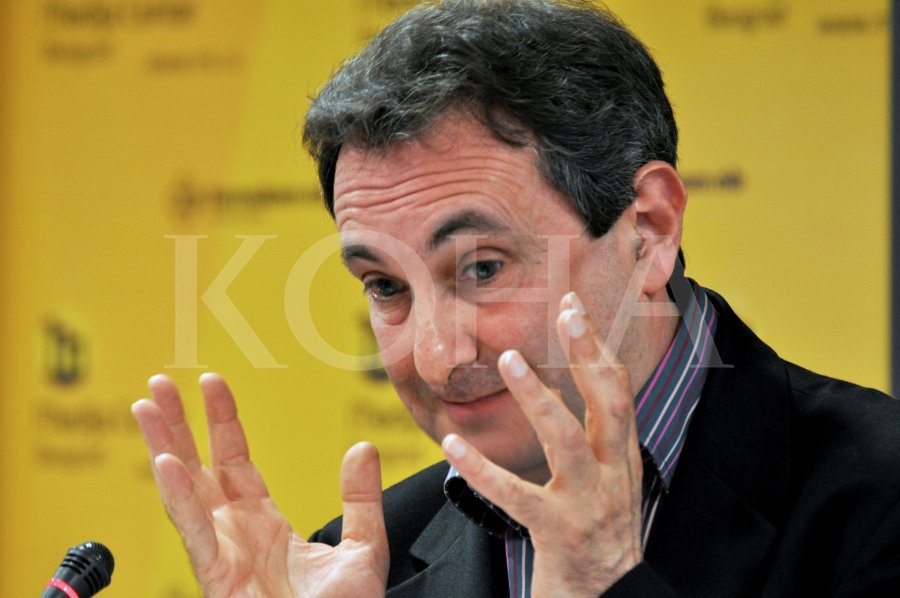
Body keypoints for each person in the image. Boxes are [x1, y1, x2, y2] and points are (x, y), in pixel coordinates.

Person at [131, 0, 900, 596]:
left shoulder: (879, 497)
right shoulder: (363, 566)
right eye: (386, 286)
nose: (436, 357)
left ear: (649, 231)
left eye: (482, 268)